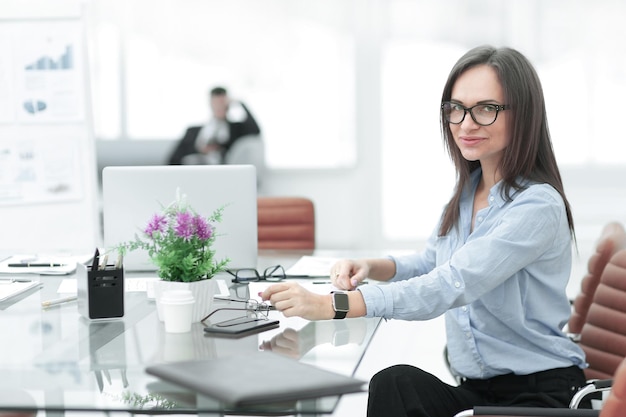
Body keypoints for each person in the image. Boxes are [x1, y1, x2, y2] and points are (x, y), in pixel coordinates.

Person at [260, 45, 589, 417]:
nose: (465, 124)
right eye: (456, 108)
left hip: (537, 396)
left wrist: (329, 305)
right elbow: (432, 260)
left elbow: (450, 283)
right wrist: (372, 265)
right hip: (478, 391)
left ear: (524, 116)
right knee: (394, 383)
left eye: (485, 109)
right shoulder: (470, 189)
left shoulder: (536, 206)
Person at [168, 86, 261, 165]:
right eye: (216, 103)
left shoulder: (235, 128)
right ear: (211, 104)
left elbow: (255, 130)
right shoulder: (193, 131)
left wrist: (240, 103)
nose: (219, 107)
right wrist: (200, 150)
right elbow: (173, 160)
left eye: (222, 103)